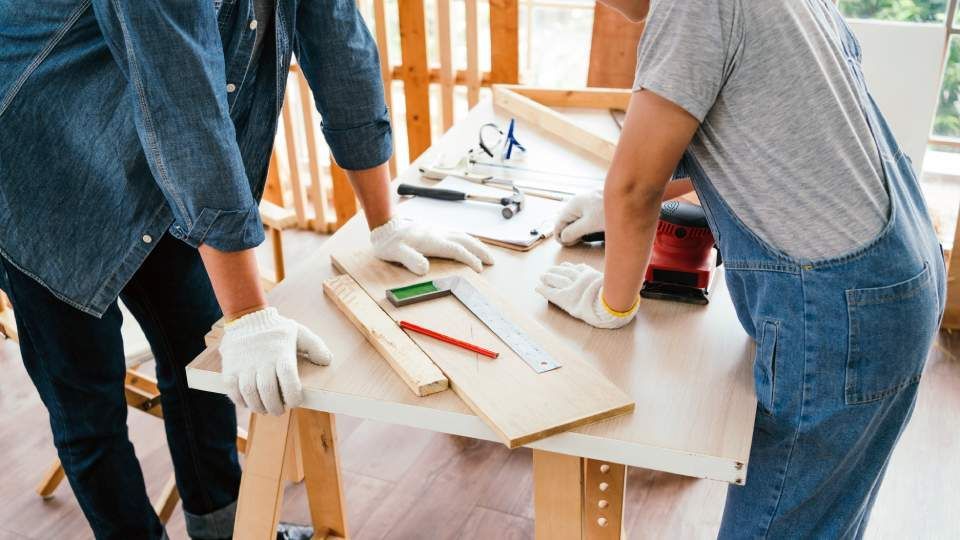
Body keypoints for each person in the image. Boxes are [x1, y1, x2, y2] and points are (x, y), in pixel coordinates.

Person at [0, 1, 492, 538]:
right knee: (86, 403)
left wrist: (384, 223)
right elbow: (184, 109)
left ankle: (225, 530)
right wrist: (250, 316)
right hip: (36, 168)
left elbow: (341, 49)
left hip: (164, 169)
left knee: (201, 361)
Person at [538, 0, 946, 537]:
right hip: (897, 276)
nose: (609, 8)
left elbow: (634, 187)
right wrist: (612, 200)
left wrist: (613, 302)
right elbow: (757, 135)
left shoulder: (691, 7)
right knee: (823, 523)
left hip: (843, 308)